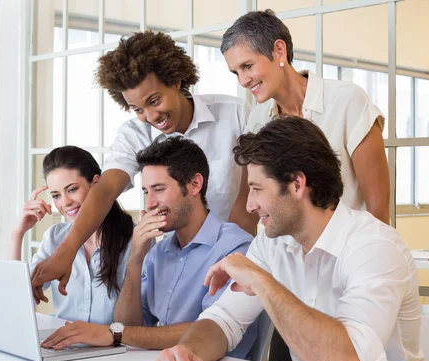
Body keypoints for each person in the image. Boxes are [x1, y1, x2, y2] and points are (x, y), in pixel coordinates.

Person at [150, 117, 424, 361]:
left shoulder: (375, 247)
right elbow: (224, 320)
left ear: (296, 184)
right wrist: (184, 353)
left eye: (257, 189)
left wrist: (262, 281)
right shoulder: (273, 243)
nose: (249, 205)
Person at [30, 31, 259, 303]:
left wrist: (224, 257)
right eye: (137, 109)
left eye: (154, 101)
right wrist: (66, 251)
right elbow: (104, 191)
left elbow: (249, 198)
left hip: (235, 254)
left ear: (175, 80)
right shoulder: (134, 133)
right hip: (177, 261)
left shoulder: (234, 114)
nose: (150, 117)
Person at [41, 137, 257, 358]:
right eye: (146, 192)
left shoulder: (234, 247)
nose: (150, 203)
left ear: (195, 184)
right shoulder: (158, 253)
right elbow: (127, 325)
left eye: (159, 189)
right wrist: (136, 257)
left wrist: (113, 334)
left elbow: (214, 329)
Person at [221, 9, 390, 224]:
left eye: (247, 66)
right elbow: (248, 203)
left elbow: (379, 206)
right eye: (236, 72)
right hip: (285, 254)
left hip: (347, 251)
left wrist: (372, 254)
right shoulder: (258, 118)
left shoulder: (347, 101)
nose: (243, 81)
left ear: (279, 51)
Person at [9, 146, 133, 325]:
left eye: (72, 189)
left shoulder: (134, 238)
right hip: (65, 345)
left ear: (96, 183)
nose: (65, 202)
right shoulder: (54, 237)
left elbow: (141, 318)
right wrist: (17, 234)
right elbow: (16, 296)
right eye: (56, 195)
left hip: (115, 347)